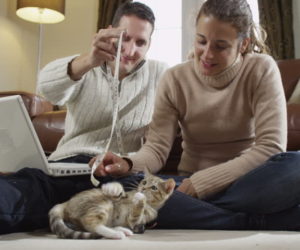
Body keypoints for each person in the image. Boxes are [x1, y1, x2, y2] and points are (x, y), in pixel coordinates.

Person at [92, 0, 300, 231]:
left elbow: (270, 148)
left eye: (220, 46)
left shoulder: (261, 68)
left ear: (243, 44)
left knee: (296, 166)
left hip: (245, 181)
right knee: (118, 186)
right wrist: (127, 163)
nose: (207, 54)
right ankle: (255, 220)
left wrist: (198, 186)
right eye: (201, 41)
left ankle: (194, 212)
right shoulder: (174, 79)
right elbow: (156, 149)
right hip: (188, 182)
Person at [0, 2, 168, 235]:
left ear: (150, 43)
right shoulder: (85, 64)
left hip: (117, 179)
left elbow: (164, 137)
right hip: (64, 168)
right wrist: (90, 59)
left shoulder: (161, 74)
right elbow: (47, 89)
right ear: (109, 32)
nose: (130, 50)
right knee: (14, 195)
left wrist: (126, 163)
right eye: (125, 38)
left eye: (141, 42)